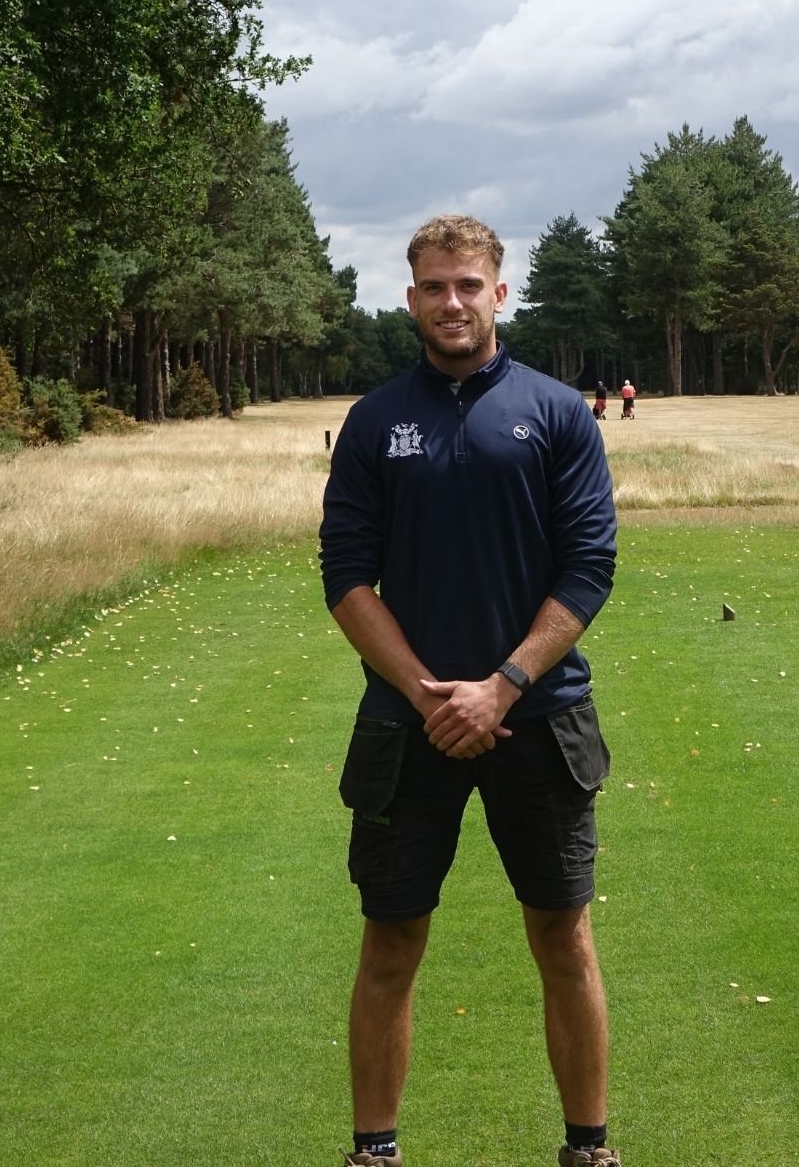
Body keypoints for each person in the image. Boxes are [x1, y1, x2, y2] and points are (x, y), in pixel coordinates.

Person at [319, 214, 621, 1167]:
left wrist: (503, 685)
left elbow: (588, 567)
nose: (451, 302)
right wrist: (429, 696)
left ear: (500, 293)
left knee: (563, 936)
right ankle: (374, 1153)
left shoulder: (558, 413)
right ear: (411, 298)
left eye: (468, 285)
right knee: (390, 941)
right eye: (433, 286)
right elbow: (346, 575)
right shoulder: (375, 422)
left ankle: (589, 1149)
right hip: (406, 726)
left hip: (541, 716)